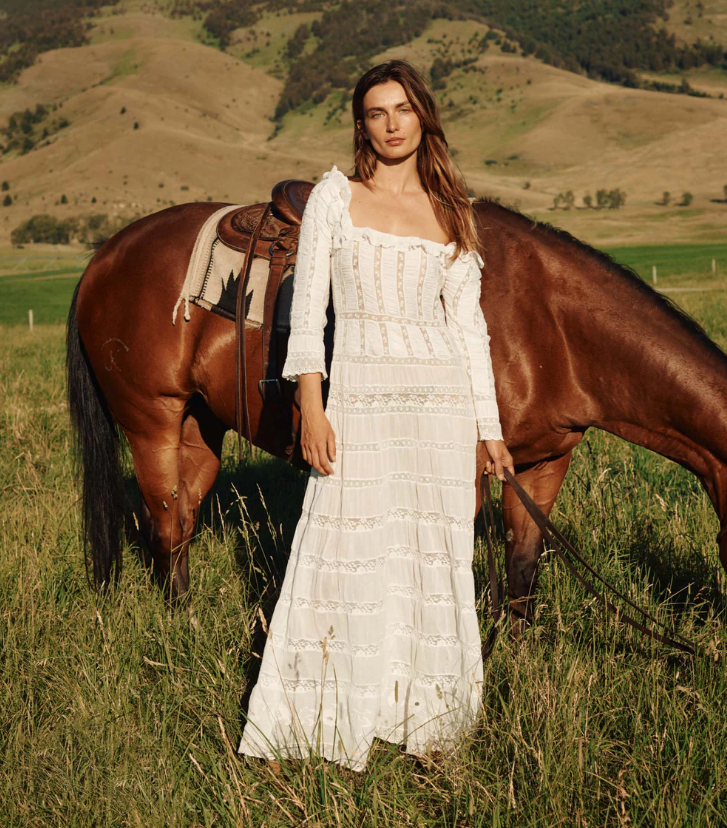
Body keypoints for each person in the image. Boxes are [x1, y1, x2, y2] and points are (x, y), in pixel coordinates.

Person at [238, 58, 514, 772]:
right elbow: (308, 312)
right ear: (361, 125)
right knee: (341, 549)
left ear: (423, 116)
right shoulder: (336, 196)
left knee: (434, 561)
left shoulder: (453, 211)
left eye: (402, 110)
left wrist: (488, 430)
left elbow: (468, 330)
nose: (391, 125)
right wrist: (311, 404)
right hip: (358, 402)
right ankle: (310, 722)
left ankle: (431, 725)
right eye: (376, 113)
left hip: (440, 410)